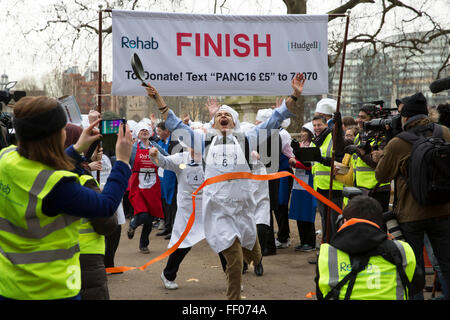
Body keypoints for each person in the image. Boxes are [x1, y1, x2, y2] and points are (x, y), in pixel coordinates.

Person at [143, 73, 304, 300]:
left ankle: (254, 253)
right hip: (218, 211)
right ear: (214, 122)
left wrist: (294, 96)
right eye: (220, 114)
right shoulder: (203, 141)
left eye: (228, 114)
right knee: (234, 260)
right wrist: (159, 99)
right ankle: (233, 299)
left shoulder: (248, 138)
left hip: (243, 209)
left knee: (255, 255)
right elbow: (176, 124)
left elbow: (275, 120)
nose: (223, 116)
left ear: (235, 121)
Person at [0, 96, 132, 300]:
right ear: (53, 136)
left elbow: (38, 168)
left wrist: (77, 148)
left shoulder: (6, 158)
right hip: (51, 289)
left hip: (9, 285)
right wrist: (122, 161)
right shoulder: (57, 185)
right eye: (62, 129)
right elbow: (105, 207)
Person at [374, 92, 450, 299]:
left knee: (412, 268)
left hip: (410, 215)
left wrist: (382, 156)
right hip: (444, 210)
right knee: (446, 264)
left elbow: (381, 175)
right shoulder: (445, 132)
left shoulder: (398, 143)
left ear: (405, 118)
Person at [315, 195, 416, 300]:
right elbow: (416, 285)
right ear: (380, 223)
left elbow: (321, 295)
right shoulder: (402, 249)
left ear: (344, 222)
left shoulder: (327, 254)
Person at [64, 123, 118, 300]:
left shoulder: (42, 173)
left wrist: (86, 162)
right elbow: (107, 222)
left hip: (57, 254)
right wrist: (123, 165)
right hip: (86, 256)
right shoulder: (82, 180)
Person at [149, 145, 205, 290]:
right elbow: (164, 162)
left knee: (221, 242)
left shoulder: (212, 158)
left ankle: (233, 278)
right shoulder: (181, 158)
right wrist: (155, 155)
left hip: (208, 208)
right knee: (183, 244)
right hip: (188, 210)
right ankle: (168, 275)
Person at [127, 122, 164, 254]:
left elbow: (167, 158)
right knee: (143, 214)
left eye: (146, 130)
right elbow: (124, 160)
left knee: (150, 217)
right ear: (138, 133)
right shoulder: (133, 148)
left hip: (153, 184)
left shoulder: (156, 146)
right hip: (137, 184)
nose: (144, 132)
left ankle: (144, 244)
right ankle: (133, 224)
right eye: (142, 130)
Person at [310, 113, 345, 244]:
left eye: (319, 125)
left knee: (334, 221)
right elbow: (313, 162)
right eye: (314, 125)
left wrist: (324, 160)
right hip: (320, 187)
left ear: (326, 124)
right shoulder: (316, 140)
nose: (317, 127)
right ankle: (325, 248)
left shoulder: (333, 137)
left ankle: (335, 249)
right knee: (324, 220)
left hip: (334, 186)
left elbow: (341, 159)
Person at [350, 104, 391, 211]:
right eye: (358, 116)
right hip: (361, 188)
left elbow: (377, 163)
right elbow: (341, 146)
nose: (358, 120)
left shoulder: (384, 136)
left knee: (377, 224)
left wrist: (360, 152)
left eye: (363, 117)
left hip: (378, 189)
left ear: (373, 120)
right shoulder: (360, 135)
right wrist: (337, 127)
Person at [289, 122, 317, 252]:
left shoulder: (312, 146)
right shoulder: (300, 145)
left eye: (304, 131)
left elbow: (310, 165)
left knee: (307, 212)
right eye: (301, 131)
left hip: (308, 183)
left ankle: (310, 242)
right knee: (299, 211)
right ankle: (303, 240)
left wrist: (297, 163)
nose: (302, 134)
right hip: (299, 182)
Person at [155, 121, 179, 239]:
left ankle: (174, 228)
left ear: (166, 131)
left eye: (159, 131)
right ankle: (168, 225)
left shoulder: (175, 143)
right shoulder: (160, 141)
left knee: (173, 203)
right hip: (163, 175)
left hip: (172, 175)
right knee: (165, 201)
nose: (157, 133)